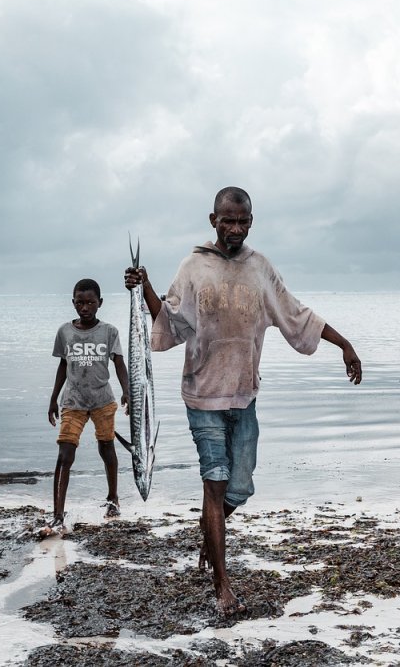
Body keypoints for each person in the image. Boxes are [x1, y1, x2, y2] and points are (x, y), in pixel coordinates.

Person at [124, 186, 362, 616]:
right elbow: (169, 320)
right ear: (212, 220)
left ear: (251, 221)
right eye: (227, 220)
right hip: (202, 396)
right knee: (213, 483)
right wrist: (143, 287)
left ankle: (208, 533)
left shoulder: (260, 269)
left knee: (239, 487)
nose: (235, 228)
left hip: (244, 396)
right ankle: (222, 585)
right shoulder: (193, 266)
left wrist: (344, 344)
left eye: (243, 221)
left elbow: (297, 315)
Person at [44, 278, 130, 536]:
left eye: (90, 302)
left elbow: (119, 363)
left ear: (99, 303)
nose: (85, 307)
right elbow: (62, 365)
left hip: (103, 401)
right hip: (73, 402)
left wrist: (127, 391)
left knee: (107, 448)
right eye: (80, 302)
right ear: (73, 303)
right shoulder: (65, 332)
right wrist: (52, 398)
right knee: (65, 455)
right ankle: (58, 515)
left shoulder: (109, 332)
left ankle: (113, 498)